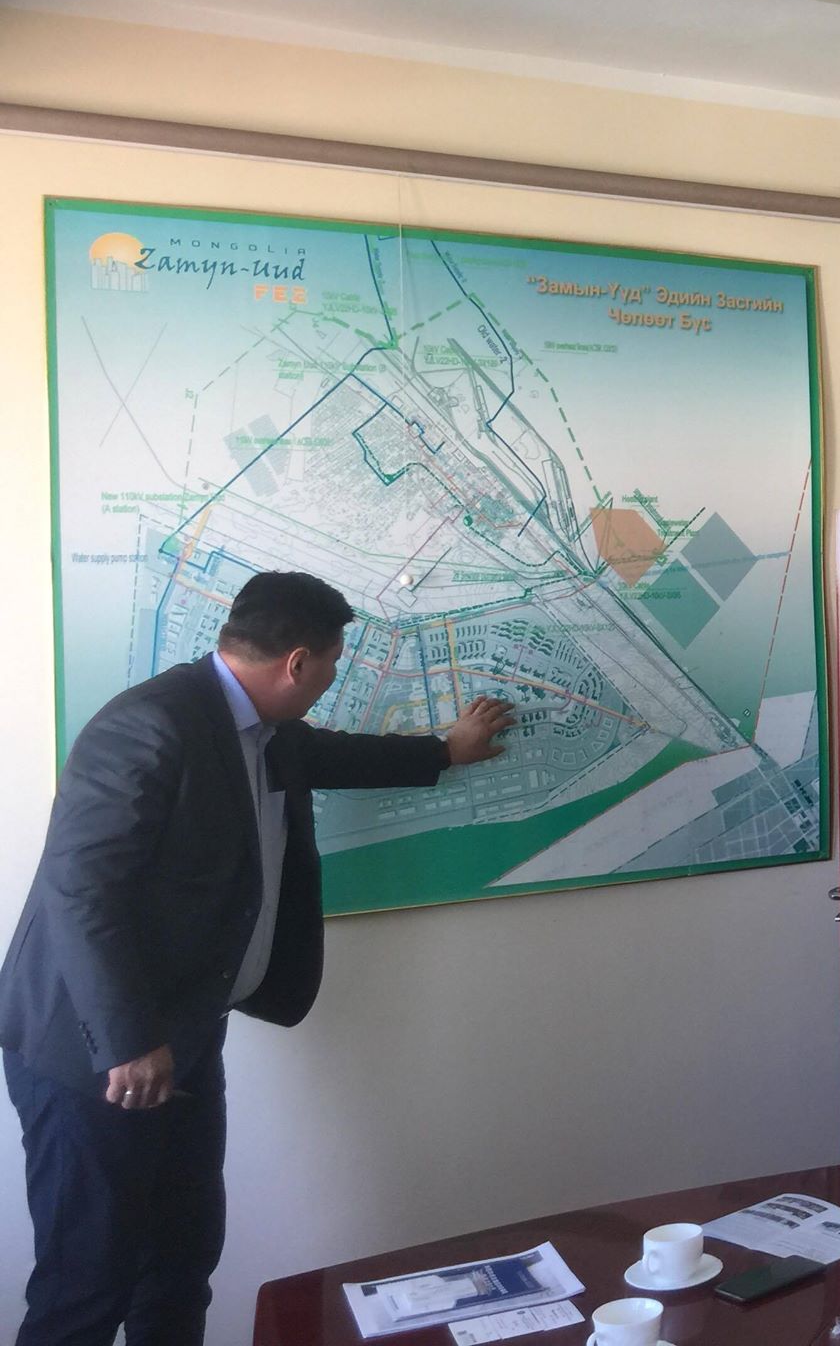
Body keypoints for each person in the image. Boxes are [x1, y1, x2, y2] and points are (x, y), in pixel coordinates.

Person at [0, 572, 514, 1346]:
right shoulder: (150, 726)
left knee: (181, 1262)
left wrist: (446, 749)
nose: (334, 679)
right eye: (333, 664)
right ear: (298, 662)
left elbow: (336, 756)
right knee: (88, 1281)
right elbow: (81, 891)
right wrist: (129, 1040)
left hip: (184, 1037)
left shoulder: (266, 731)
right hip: (93, 1055)